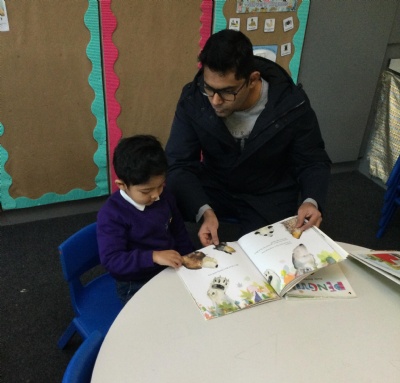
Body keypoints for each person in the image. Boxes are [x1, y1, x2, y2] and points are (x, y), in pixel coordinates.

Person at [166, 29, 331, 247]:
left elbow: (312, 160)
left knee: (266, 256)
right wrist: (203, 210)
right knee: (156, 202)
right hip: (216, 184)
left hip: (268, 191)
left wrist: (312, 200)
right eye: (209, 88)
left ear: (253, 79)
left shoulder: (290, 103)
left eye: (227, 92)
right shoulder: (193, 98)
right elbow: (179, 163)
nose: (215, 101)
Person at [97, 135, 194, 305]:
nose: (156, 195)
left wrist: (189, 255)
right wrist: (153, 256)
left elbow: (178, 230)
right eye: (146, 191)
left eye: (161, 185)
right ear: (122, 185)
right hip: (135, 280)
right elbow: (113, 261)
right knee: (162, 313)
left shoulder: (165, 197)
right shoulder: (112, 214)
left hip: (168, 267)